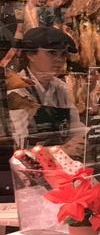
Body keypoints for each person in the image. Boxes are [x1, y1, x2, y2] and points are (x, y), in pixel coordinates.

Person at [8, 27, 85, 157]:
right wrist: (61, 151)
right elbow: (17, 150)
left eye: (63, 54)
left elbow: (75, 127)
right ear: (31, 55)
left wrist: (84, 140)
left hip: (59, 170)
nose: (59, 60)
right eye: (52, 53)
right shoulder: (17, 91)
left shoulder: (61, 88)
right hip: (28, 172)